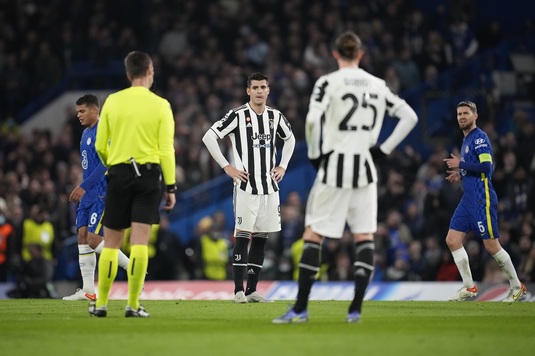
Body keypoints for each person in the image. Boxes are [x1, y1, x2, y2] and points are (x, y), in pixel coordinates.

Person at [273, 31, 418, 324]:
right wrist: (383, 150)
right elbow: (410, 117)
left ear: (335, 54)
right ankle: (355, 311)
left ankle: (300, 309)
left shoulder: (327, 82)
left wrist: (315, 154)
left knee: (313, 234)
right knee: (364, 236)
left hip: (335, 165)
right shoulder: (378, 85)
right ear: (361, 55)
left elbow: (313, 120)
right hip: (366, 167)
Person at [90, 50, 176, 317]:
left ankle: (101, 304)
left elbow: (100, 145)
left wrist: (113, 163)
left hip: (118, 174)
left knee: (112, 242)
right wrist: (171, 186)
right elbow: (166, 150)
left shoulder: (113, 102)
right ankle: (133, 304)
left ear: (128, 74)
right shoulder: (161, 105)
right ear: (150, 71)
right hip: (149, 177)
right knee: (140, 242)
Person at [202, 72, 295, 303]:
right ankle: (238, 291)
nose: (260, 91)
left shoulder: (275, 116)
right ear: (248, 91)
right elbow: (209, 137)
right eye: (255, 87)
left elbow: (290, 139)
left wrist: (282, 165)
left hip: (270, 188)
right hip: (245, 188)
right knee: (243, 237)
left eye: (263, 87)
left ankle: (252, 290)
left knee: (262, 238)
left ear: (268, 90)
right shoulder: (237, 115)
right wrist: (227, 167)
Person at [443, 100, 527, 302]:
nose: (462, 117)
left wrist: (461, 164)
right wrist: (461, 173)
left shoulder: (479, 138)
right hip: (468, 199)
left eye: (466, 113)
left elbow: (487, 168)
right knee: (452, 240)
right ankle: (469, 287)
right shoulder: (466, 140)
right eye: (459, 114)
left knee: (491, 246)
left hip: (482, 199)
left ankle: (517, 286)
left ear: (475, 116)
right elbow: (475, 168)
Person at [62, 94, 130, 301]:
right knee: (82, 236)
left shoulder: (103, 131)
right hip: (88, 193)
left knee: (94, 239)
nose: (79, 115)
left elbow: (106, 163)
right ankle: (88, 290)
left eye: (82, 111)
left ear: (95, 110)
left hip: (101, 192)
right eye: (77, 112)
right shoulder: (84, 134)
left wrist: (84, 186)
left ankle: (133, 267)